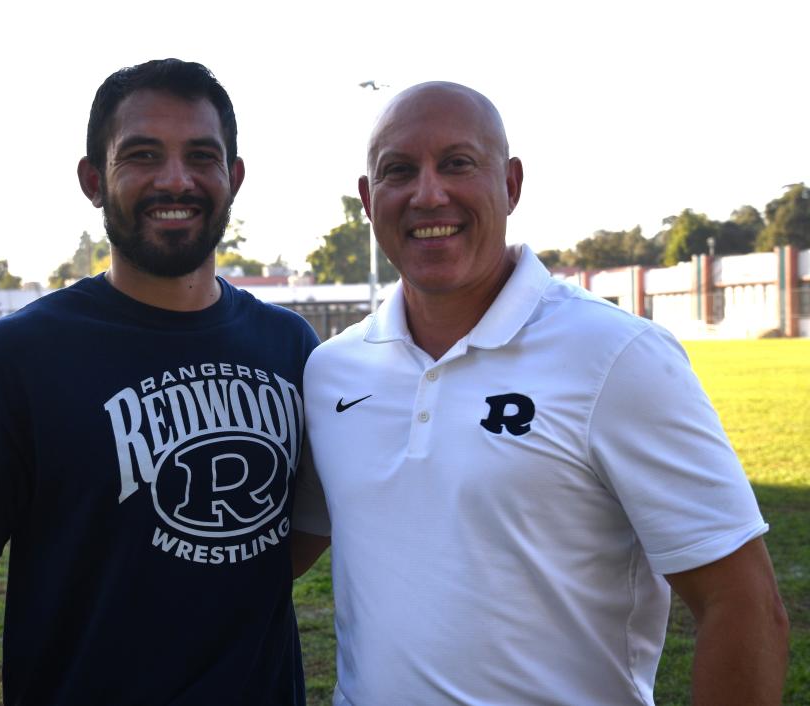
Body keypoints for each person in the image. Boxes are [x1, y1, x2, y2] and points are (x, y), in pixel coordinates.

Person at [292, 82, 790, 705]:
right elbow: (274, 550)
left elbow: (741, 603)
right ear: (369, 200)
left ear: (511, 184)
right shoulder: (332, 370)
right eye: (399, 171)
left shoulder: (616, 356)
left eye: (458, 164)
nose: (428, 194)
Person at [0, 58, 318, 705]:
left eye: (201, 156)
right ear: (94, 179)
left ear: (233, 178)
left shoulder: (292, 348)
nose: (175, 180)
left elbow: (303, 530)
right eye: (143, 155)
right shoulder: (11, 360)